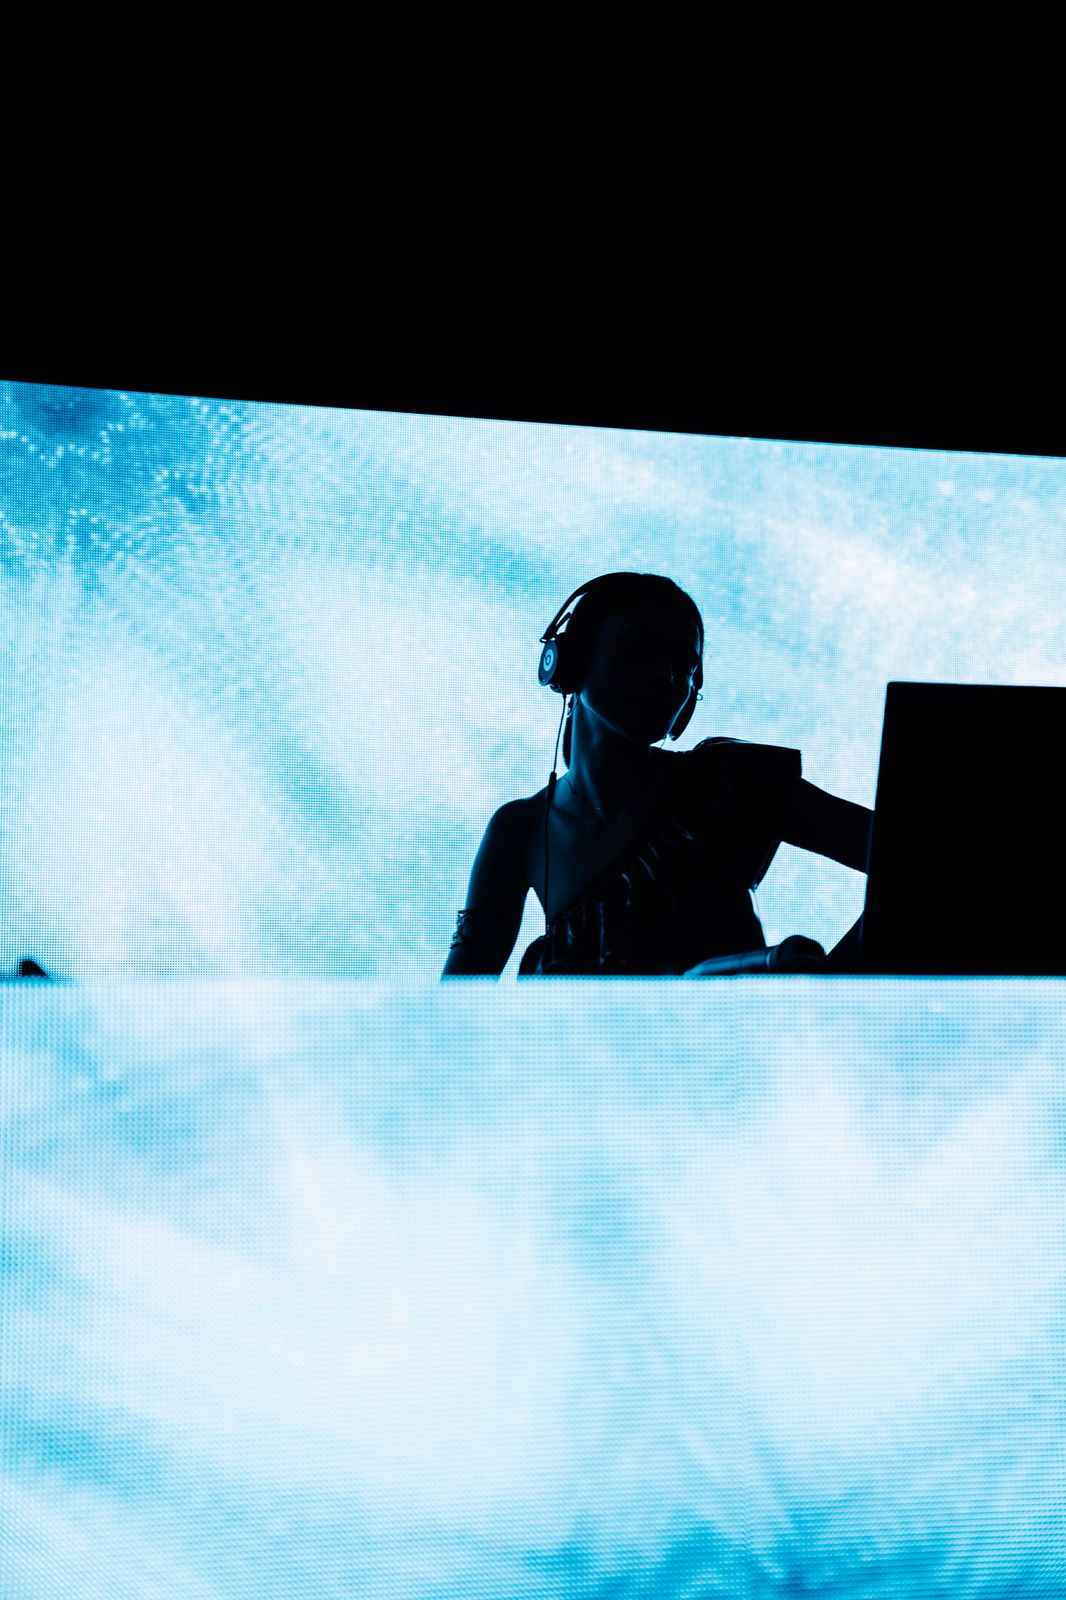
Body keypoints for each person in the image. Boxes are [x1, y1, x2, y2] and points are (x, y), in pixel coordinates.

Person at [442, 573, 872, 977]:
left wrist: (829, 985)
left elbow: (908, 859)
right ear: (573, 660)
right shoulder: (519, 830)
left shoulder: (732, 781)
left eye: (684, 663)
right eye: (638, 648)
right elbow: (458, 1002)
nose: (666, 674)